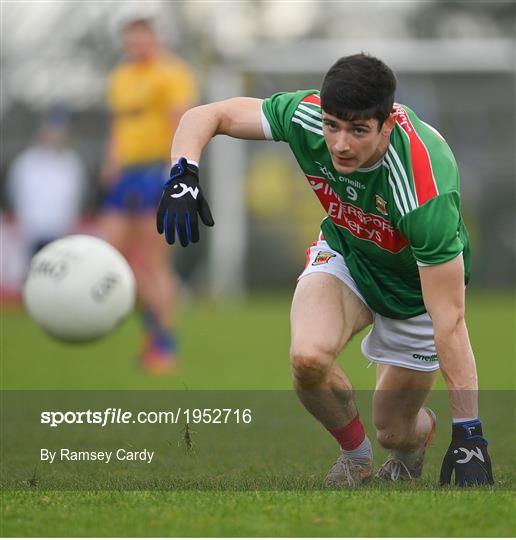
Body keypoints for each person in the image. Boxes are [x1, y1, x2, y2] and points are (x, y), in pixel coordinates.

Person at [156, 54, 494, 487]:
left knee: (395, 430)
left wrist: (469, 435)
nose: (340, 144)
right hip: (346, 256)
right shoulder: (306, 116)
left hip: (415, 293)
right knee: (308, 358)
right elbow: (209, 114)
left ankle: (415, 440)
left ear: (386, 126)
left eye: (358, 131)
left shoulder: (424, 189)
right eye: (332, 125)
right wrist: (183, 172)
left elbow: (450, 320)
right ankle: (355, 458)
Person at [101, 18, 198, 373]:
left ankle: (164, 344)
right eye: (132, 41)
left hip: (154, 172)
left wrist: (175, 170)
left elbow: (180, 121)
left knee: (156, 263)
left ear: (154, 40)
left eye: (143, 40)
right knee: (109, 255)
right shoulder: (121, 77)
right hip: (125, 176)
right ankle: (152, 330)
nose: (137, 46)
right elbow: (119, 126)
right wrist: (111, 163)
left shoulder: (172, 73)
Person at [7, 106, 87, 260]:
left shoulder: (73, 163)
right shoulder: (26, 162)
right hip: (31, 237)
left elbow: (75, 199)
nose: (57, 133)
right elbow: (16, 195)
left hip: (61, 237)